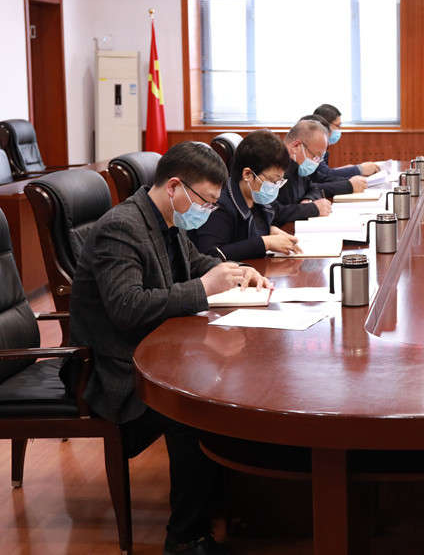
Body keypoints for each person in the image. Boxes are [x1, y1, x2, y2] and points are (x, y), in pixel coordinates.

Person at [64, 141, 272, 555]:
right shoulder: (121, 228)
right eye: (206, 202)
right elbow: (127, 307)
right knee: (194, 410)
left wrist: (236, 272)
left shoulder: (167, 217)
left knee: (232, 382)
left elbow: (194, 264)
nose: (208, 211)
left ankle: (230, 504)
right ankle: (185, 537)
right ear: (175, 186)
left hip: (154, 348)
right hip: (112, 368)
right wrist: (202, 289)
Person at [192, 129, 302, 260]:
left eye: (279, 181)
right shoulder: (219, 204)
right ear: (248, 174)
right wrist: (265, 243)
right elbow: (212, 254)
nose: (274, 187)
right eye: (272, 181)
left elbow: (257, 226)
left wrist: (272, 230)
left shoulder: (259, 197)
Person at [308, 104, 380, 197]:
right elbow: (320, 178)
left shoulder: (319, 148)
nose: (340, 129)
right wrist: (353, 178)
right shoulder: (309, 148)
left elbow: (321, 176)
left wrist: (350, 178)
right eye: (338, 125)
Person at [275, 118, 333, 220]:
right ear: (296, 146)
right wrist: (310, 209)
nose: (316, 162)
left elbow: (314, 189)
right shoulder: (274, 168)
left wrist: (308, 200)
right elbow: (273, 213)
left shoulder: (298, 167)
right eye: (315, 156)